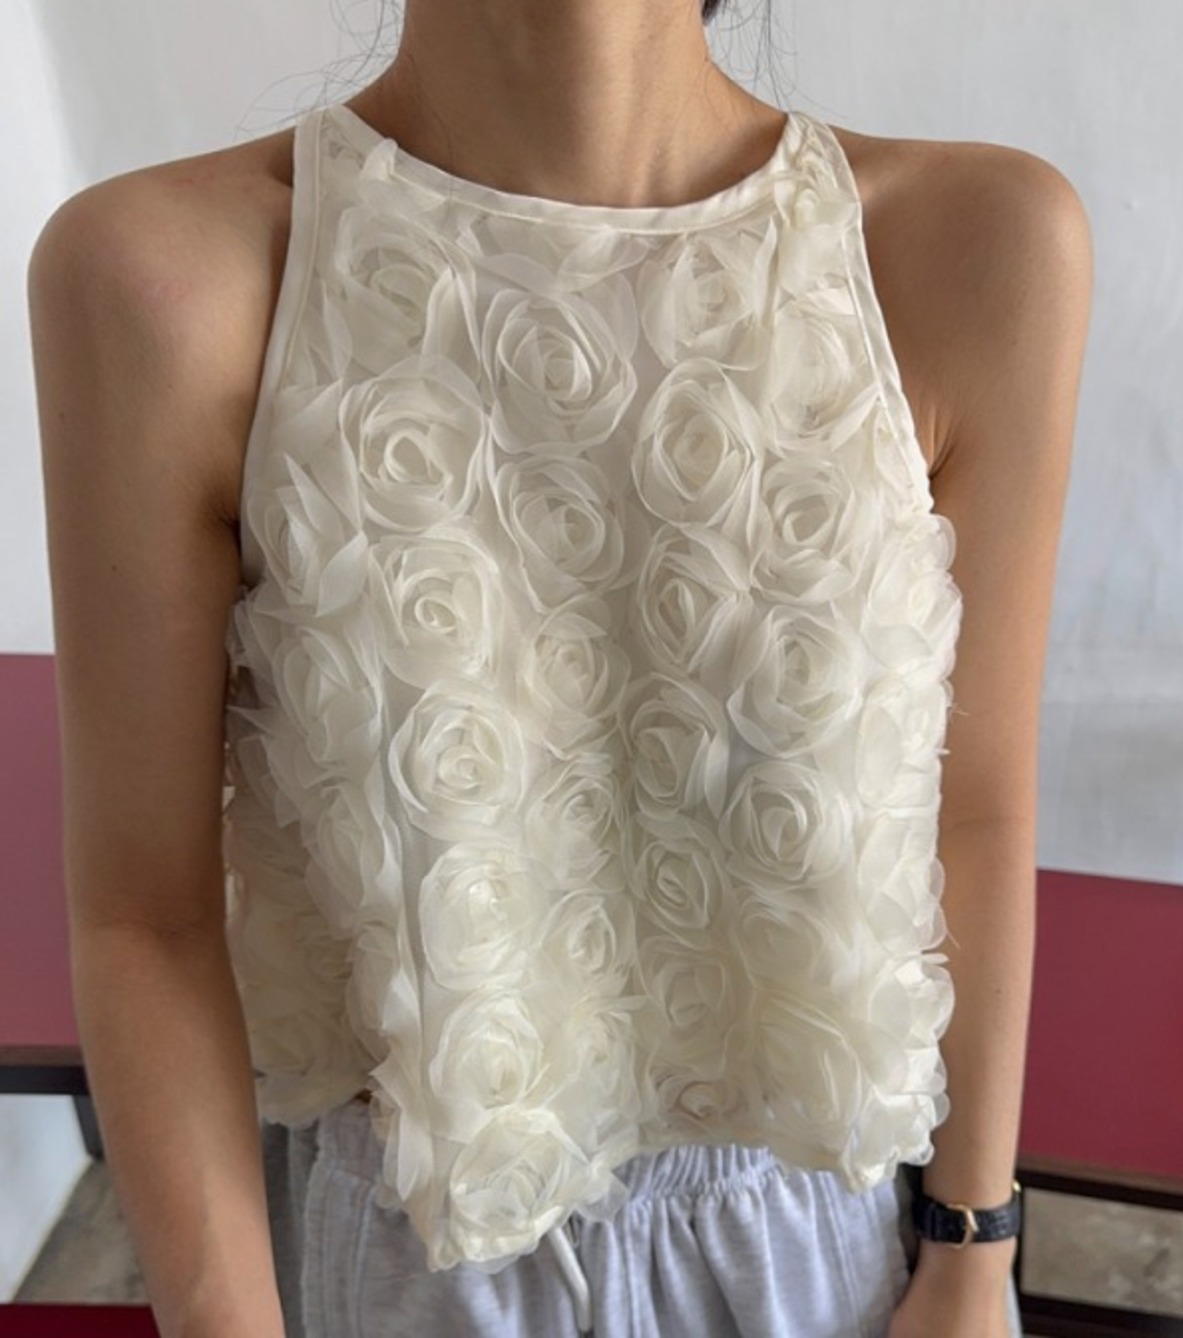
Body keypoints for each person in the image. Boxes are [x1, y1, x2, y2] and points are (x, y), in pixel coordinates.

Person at [27, 0, 1092, 1333]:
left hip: (822, 1256)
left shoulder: (975, 248)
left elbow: (974, 812)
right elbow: (147, 913)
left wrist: (973, 1249)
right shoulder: (160, 283)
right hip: (411, 1258)